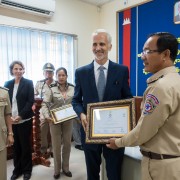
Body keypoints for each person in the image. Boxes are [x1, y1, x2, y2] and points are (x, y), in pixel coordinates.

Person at [107, 32, 180, 180]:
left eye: (148, 51)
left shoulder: (160, 87)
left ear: (165, 54)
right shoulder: (175, 81)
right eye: (142, 51)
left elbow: (144, 131)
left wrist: (118, 142)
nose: (142, 56)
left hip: (160, 167)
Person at [72, 29, 132, 180]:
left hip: (114, 134)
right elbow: (76, 100)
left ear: (110, 46)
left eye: (102, 44)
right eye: (94, 44)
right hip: (90, 132)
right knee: (92, 174)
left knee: (113, 173)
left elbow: (128, 99)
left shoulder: (121, 70)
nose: (98, 48)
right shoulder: (81, 72)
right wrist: (81, 113)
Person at [41, 67, 74, 179]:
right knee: (56, 145)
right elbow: (45, 104)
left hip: (68, 120)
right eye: (59, 75)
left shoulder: (73, 88)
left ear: (66, 76)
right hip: (54, 120)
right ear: (56, 76)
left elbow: (76, 102)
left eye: (63, 75)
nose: (61, 77)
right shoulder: (51, 88)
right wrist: (47, 116)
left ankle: (66, 168)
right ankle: (56, 170)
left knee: (67, 144)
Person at [4, 60, 34, 180]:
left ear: (23, 70)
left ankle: (27, 170)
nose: (18, 71)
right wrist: (9, 117)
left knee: (25, 146)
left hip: (24, 120)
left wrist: (20, 116)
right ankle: (17, 170)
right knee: (15, 147)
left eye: (20, 69)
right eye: (16, 69)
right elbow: (6, 102)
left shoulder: (28, 83)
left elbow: (30, 101)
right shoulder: (7, 84)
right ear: (12, 70)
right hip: (11, 120)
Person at [34, 62, 55, 156]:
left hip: (54, 110)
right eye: (46, 72)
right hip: (43, 111)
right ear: (43, 73)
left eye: (50, 72)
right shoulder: (39, 84)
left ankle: (53, 150)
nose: (48, 74)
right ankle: (43, 150)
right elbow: (34, 95)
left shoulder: (57, 83)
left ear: (53, 74)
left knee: (55, 131)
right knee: (42, 131)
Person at [0, 86, 14, 180]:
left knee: (1, 170)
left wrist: (10, 134)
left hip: (1, 136)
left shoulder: (4, 92)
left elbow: (7, 114)